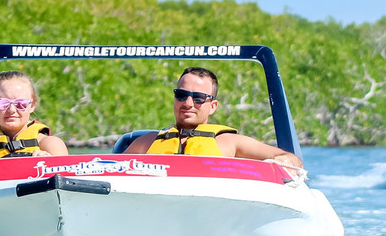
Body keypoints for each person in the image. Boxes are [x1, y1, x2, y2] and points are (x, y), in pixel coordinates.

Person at [125, 66, 303, 168]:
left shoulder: (230, 143)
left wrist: (284, 162)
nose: (188, 103)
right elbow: (106, 170)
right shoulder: (145, 143)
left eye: (198, 98)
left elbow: (292, 160)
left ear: (213, 106)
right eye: (181, 94)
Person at [0, 71, 69, 160]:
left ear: (32, 105)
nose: (11, 110)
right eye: (3, 103)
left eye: (20, 103)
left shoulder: (51, 146)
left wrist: (49, 164)